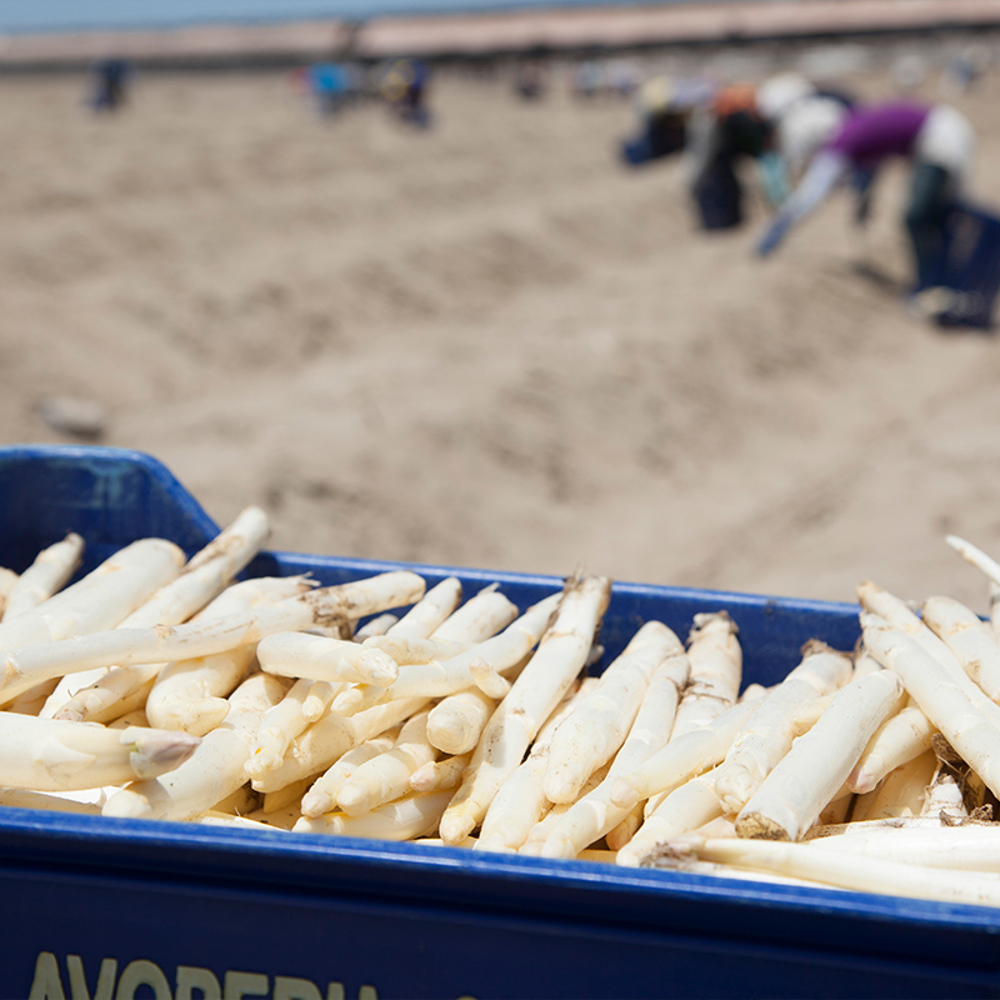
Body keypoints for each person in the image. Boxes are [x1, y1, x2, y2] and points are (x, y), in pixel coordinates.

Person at [755, 101, 976, 309]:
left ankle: (930, 286)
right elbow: (873, 167)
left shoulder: (841, 143)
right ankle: (942, 283)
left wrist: (779, 228)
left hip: (939, 142)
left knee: (916, 218)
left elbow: (811, 196)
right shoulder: (855, 130)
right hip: (946, 131)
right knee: (932, 217)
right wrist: (863, 201)